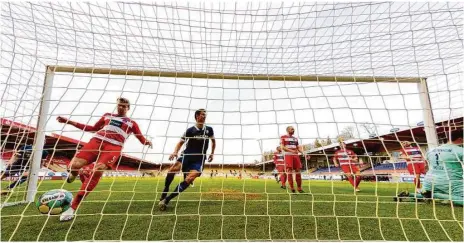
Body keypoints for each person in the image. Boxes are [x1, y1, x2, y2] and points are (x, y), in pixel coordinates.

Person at [56, 97, 152, 221]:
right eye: (119, 105)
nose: (121, 107)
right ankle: (74, 174)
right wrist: (69, 122)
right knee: (73, 166)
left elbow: (141, 138)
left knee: (98, 169)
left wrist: (147, 142)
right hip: (96, 141)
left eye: (124, 106)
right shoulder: (107, 116)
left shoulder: (132, 123)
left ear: (128, 108)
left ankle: (73, 207)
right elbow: (92, 128)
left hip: (113, 147)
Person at [159, 109, 215, 211]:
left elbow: (213, 141)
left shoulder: (209, 129)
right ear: (197, 116)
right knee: (172, 170)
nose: (204, 116)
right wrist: (175, 152)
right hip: (187, 155)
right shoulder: (190, 130)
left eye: (205, 115)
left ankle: (167, 199)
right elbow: (180, 142)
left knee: (189, 179)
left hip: (199, 159)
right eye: (202, 114)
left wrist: (212, 153)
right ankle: (166, 188)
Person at [396, 130, 463, 206]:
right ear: (460, 139)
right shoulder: (460, 151)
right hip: (450, 182)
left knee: (436, 189)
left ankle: (410, 194)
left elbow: (427, 166)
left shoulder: (431, 151)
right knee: (452, 193)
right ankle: (433, 195)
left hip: (429, 182)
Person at [280, 126, 304, 193]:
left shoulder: (295, 139)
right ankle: (292, 187)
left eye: (294, 129)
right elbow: (282, 147)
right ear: (288, 130)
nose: (293, 130)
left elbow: (297, 147)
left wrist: (303, 153)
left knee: (298, 171)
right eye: (292, 129)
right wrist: (291, 151)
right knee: (289, 171)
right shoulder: (283, 137)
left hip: (295, 155)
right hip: (288, 155)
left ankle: (299, 188)